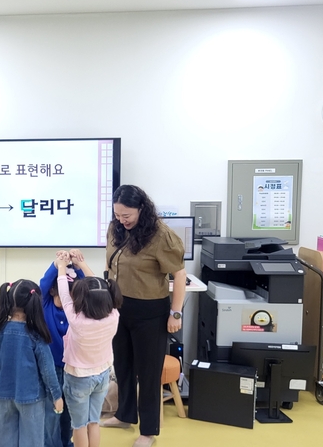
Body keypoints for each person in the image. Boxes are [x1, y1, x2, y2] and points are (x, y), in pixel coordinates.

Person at [100, 185, 186, 447]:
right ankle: (124, 415)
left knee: (148, 373)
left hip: (150, 312)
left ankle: (148, 430)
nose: (121, 220)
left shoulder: (161, 235)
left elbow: (179, 274)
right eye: (117, 215)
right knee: (122, 366)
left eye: (127, 215)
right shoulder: (115, 229)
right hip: (118, 309)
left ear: (141, 209)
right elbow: (110, 265)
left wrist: (176, 313)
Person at [54, 250, 122, 447]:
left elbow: (64, 294)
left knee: (79, 425)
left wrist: (61, 268)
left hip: (78, 378)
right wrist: (82, 264)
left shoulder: (77, 320)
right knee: (94, 422)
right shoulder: (113, 315)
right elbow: (101, 287)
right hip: (102, 375)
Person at [0, 279, 64, 447]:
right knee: (32, 441)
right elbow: (48, 370)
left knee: (4, 439)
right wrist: (56, 395)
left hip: (4, 393)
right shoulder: (36, 335)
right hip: (31, 397)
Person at [39, 253, 85, 447]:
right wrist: (58, 265)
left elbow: (86, 286)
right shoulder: (45, 304)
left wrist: (77, 265)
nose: (68, 300)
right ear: (52, 292)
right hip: (52, 369)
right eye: (64, 295)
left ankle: (66, 442)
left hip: (72, 369)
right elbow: (43, 283)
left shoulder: (76, 309)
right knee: (52, 411)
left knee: (69, 412)